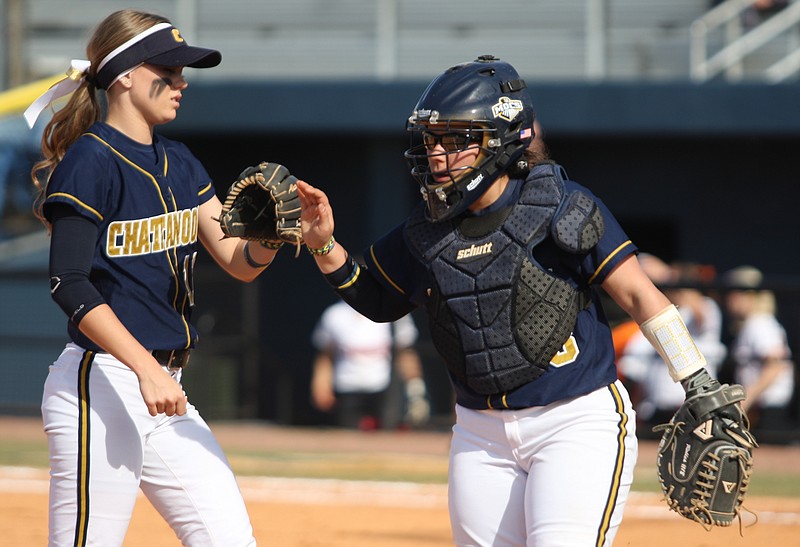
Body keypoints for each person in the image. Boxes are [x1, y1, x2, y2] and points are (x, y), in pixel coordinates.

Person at [295, 55, 725, 545]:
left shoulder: (561, 204)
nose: (436, 153)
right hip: (480, 433)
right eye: (430, 139)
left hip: (574, 420)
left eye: (455, 139)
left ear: (498, 138)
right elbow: (378, 301)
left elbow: (640, 296)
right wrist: (323, 245)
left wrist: (698, 381)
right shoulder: (426, 232)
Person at [26, 10, 282, 545]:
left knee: (229, 538)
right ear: (123, 75)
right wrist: (144, 368)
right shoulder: (91, 161)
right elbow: (68, 282)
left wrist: (274, 237)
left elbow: (238, 261)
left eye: (183, 72)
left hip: (166, 392)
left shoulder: (181, 162)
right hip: (102, 384)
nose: (181, 82)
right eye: (167, 70)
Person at [618, 255, 727, 436]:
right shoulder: (665, 314)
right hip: (659, 407)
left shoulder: (706, 306)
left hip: (695, 403)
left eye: (682, 281)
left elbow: (700, 311)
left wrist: (670, 275)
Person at [310, 300, 429, 430]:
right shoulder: (335, 314)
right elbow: (326, 355)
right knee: (348, 438)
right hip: (348, 389)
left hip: (384, 390)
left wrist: (416, 389)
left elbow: (405, 354)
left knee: (387, 437)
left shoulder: (395, 313)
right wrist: (321, 386)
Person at [722, 265, 795, 435]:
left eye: (733, 294)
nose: (728, 300)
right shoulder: (751, 324)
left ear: (749, 296)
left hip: (768, 410)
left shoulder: (760, 323)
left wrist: (745, 401)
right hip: (759, 408)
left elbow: (774, 367)